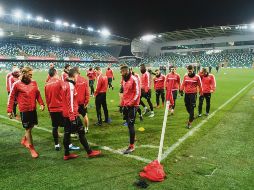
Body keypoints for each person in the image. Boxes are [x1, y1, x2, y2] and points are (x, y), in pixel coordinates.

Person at [61, 68, 101, 160]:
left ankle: (66, 154)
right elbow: (70, 102)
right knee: (81, 132)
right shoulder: (70, 86)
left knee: (66, 134)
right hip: (72, 114)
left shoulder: (65, 84)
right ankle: (89, 152)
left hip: (66, 113)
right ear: (75, 76)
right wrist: (73, 119)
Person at [7, 66, 45, 158]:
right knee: (28, 129)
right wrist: (9, 110)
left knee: (31, 126)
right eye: (30, 75)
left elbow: (37, 93)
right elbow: (11, 97)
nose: (32, 77)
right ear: (24, 74)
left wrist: (41, 103)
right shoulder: (17, 84)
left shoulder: (34, 83)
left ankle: (24, 140)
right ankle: (32, 148)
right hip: (24, 110)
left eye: (32, 75)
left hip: (33, 109)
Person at [45, 68, 80, 151]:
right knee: (66, 127)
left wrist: (49, 110)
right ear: (56, 73)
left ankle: (56, 144)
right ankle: (69, 145)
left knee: (54, 127)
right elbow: (66, 94)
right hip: (61, 108)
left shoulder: (46, 84)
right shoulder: (60, 82)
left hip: (52, 108)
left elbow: (47, 99)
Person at [120, 65, 140, 154]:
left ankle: (131, 146)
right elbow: (125, 93)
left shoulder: (134, 79)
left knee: (131, 125)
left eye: (124, 71)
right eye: (122, 71)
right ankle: (134, 137)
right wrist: (123, 104)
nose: (123, 73)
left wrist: (131, 103)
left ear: (128, 71)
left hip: (133, 105)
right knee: (128, 123)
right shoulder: (124, 80)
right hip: (126, 105)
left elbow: (137, 93)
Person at [73, 67, 90, 133]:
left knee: (74, 117)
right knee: (85, 115)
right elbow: (87, 92)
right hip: (83, 102)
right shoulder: (84, 80)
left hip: (75, 103)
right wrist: (87, 101)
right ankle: (86, 128)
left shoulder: (73, 80)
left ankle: (76, 130)